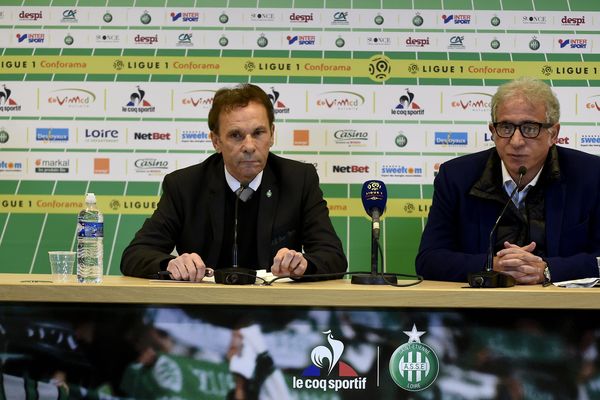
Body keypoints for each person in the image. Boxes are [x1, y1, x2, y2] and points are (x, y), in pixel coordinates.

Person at [121, 83, 347, 281]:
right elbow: (135, 255)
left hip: (276, 313)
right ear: (216, 141)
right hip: (203, 310)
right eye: (236, 135)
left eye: (258, 133)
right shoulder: (185, 186)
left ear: (272, 135)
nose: (249, 146)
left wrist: (304, 264)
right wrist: (170, 264)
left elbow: (333, 256)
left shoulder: (298, 180)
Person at [416, 77, 600, 285]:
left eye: (530, 128)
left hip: (567, 312)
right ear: (493, 132)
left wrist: (547, 269)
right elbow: (429, 260)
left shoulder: (591, 176)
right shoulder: (457, 177)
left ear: (553, 134)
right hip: (480, 310)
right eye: (505, 127)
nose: (516, 141)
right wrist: (493, 266)